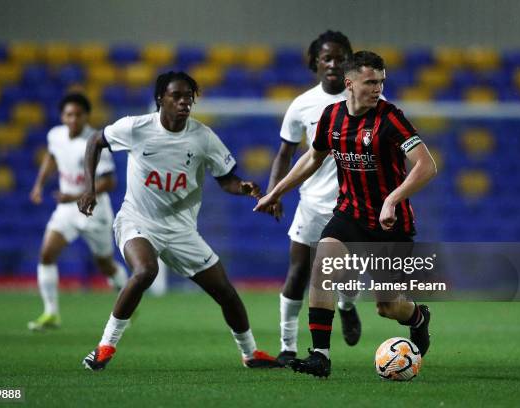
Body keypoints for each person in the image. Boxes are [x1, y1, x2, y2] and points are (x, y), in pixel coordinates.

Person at [78, 71, 280, 370]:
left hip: (181, 230)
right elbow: (95, 141)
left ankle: (250, 354)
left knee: (225, 292)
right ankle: (105, 347)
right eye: (177, 96)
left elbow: (227, 180)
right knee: (146, 270)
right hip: (138, 220)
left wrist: (245, 188)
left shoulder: (203, 137)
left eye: (189, 97)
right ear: (161, 99)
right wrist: (89, 187)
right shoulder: (136, 127)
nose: (185, 101)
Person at [255, 51, 437, 377]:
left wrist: (393, 199)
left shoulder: (391, 118)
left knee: (387, 306)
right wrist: (276, 192)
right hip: (350, 213)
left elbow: (427, 165)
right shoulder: (332, 116)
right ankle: (320, 357)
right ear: (350, 83)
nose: (377, 88)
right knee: (323, 266)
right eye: (370, 82)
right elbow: (312, 158)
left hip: (390, 224)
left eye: (381, 81)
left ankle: (418, 316)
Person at [266, 30, 362, 366]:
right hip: (312, 204)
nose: (334, 64)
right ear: (315, 63)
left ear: (349, 61)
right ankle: (287, 346)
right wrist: (274, 191)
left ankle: (347, 306)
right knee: (298, 272)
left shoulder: (364, 100)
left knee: (347, 276)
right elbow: (284, 153)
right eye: (327, 58)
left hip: (353, 205)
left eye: (340, 58)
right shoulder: (302, 105)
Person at [28, 92, 128, 331]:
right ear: (62, 116)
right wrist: (39, 184)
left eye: (78, 115)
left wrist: (75, 196)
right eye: (69, 114)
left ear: (86, 116)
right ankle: (51, 313)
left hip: (94, 213)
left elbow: (109, 182)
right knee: (46, 255)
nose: (73, 119)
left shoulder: (95, 142)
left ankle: (127, 301)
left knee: (105, 264)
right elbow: (51, 157)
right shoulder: (56, 135)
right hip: (66, 210)